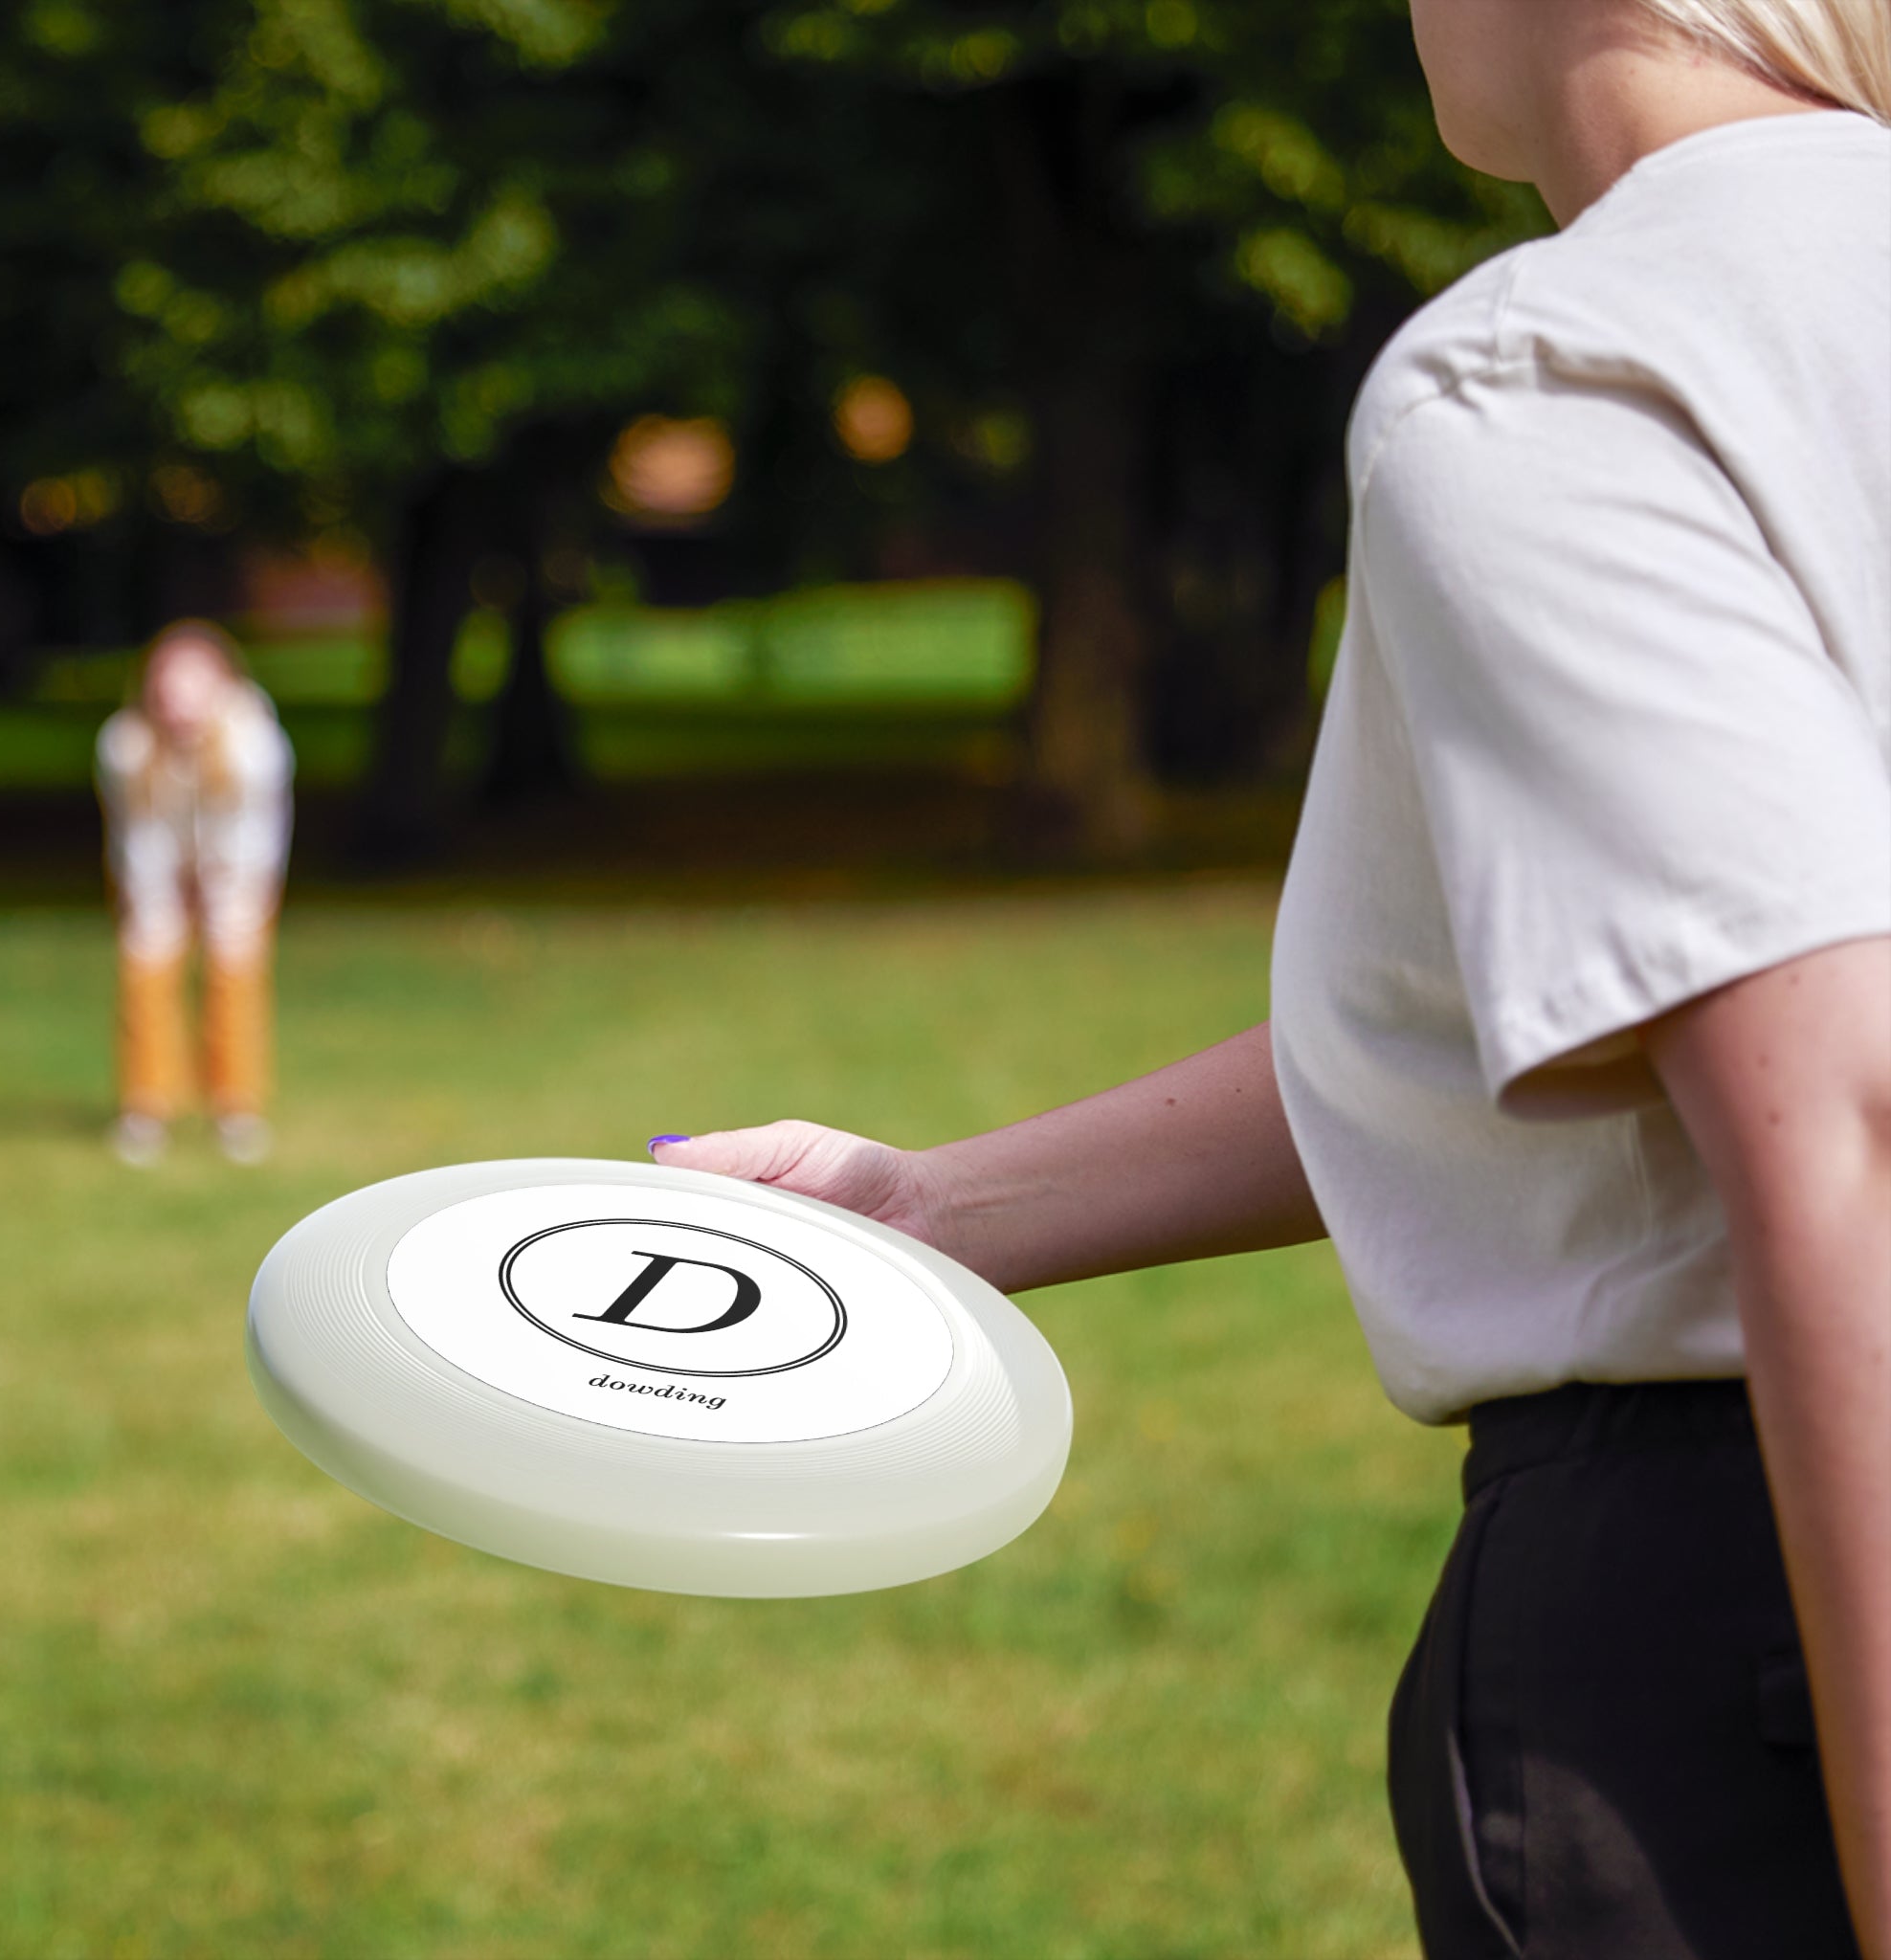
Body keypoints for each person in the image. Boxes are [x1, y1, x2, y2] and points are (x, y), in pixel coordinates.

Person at [647, 2, 1891, 1953]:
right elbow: (1591, 1005)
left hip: (1753, 1616)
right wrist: (935, 1206)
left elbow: (1842, 1121)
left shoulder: (1564, 367)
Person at [96, 620, 295, 1167]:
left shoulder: (255, 745)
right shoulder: (126, 746)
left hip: (236, 870)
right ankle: (146, 1107)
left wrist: (223, 892)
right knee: (146, 966)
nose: (179, 702)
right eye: (168, 686)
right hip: (156, 869)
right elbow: (138, 835)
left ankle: (236, 1108)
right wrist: (158, 898)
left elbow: (253, 835)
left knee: (234, 971)